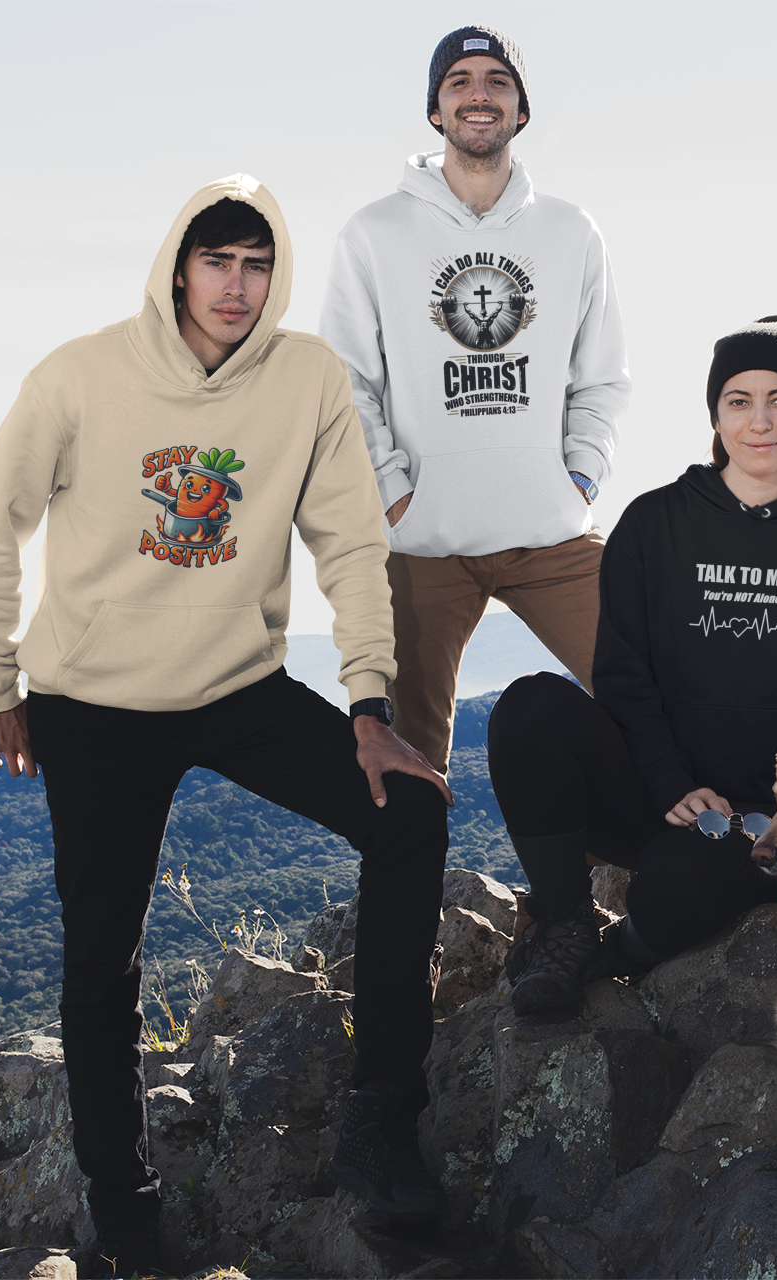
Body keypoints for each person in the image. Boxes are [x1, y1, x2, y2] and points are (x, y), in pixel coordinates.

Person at [0, 176, 457, 1270]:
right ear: (177, 268)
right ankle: (125, 1212)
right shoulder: (81, 374)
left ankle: (380, 1119)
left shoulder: (307, 377)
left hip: (238, 684)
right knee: (103, 960)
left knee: (408, 812)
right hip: (94, 701)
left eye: (257, 264)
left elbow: (351, 543)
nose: (237, 285)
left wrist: (369, 704)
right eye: (217, 261)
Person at [485, 317, 777, 1014]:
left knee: (686, 881)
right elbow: (622, 677)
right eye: (739, 401)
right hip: (648, 786)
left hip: (757, 818)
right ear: (715, 415)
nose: (760, 421)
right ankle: (563, 924)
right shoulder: (653, 524)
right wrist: (672, 784)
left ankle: (617, 956)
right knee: (529, 707)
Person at [319, 24, 631, 775]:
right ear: (436, 109)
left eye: (498, 80)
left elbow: (602, 374)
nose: (479, 94)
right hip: (423, 541)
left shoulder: (570, 231)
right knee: (410, 757)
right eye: (459, 82)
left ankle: (659, 842)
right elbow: (344, 380)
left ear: (521, 109)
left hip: (552, 534)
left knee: (651, 696)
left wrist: (580, 477)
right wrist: (394, 493)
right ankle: (411, 861)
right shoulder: (374, 233)